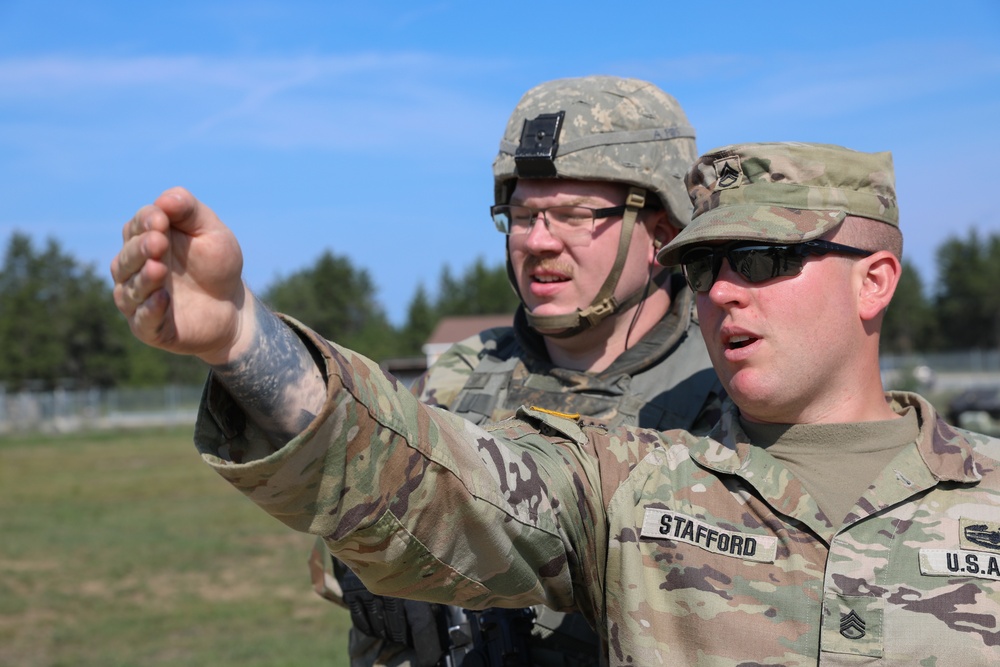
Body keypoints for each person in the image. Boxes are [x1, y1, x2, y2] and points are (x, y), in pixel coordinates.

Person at [112, 141, 1000, 665]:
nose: (724, 292)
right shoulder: (632, 481)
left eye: (762, 261)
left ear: (875, 281)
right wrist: (238, 337)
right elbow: (421, 474)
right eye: (705, 265)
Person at [309, 75, 725, 667]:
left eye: (573, 215)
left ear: (661, 229)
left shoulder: (728, 394)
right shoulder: (457, 381)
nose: (538, 242)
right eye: (523, 215)